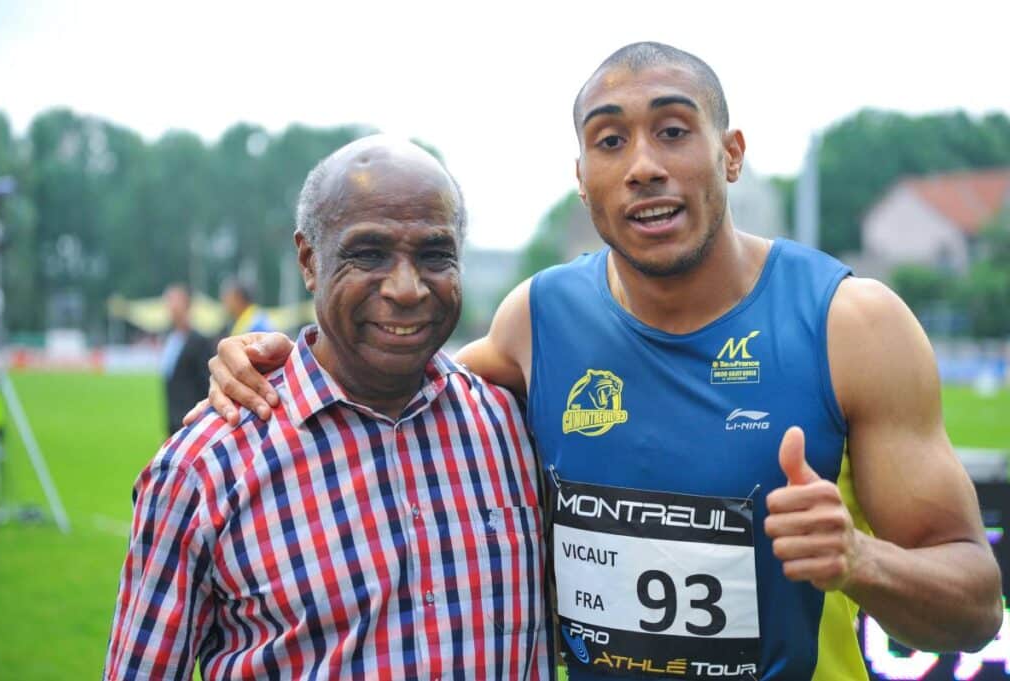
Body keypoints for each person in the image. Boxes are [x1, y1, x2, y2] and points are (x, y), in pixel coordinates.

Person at [195, 43, 1003, 680]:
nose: (643, 162)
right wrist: (271, 357)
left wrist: (861, 560)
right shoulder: (538, 322)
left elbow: (976, 605)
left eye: (674, 129)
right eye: (610, 140)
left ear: (731, 153)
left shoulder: (850, 324)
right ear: (584, 181)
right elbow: (389, 388)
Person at [105, 137, 551, 680]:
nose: (407, 288)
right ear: (309, 261)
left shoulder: (517, 431)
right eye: (369, 254)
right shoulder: (204, 471)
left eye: (435, 255)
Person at [159, 284, 213, 437]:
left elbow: (207, 384)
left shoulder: (199, 341)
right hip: (172, 421)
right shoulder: (170, 339)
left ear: (187, 305)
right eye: (168, 301)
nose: (171, 306)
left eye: (175, 301)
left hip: (192, 422)